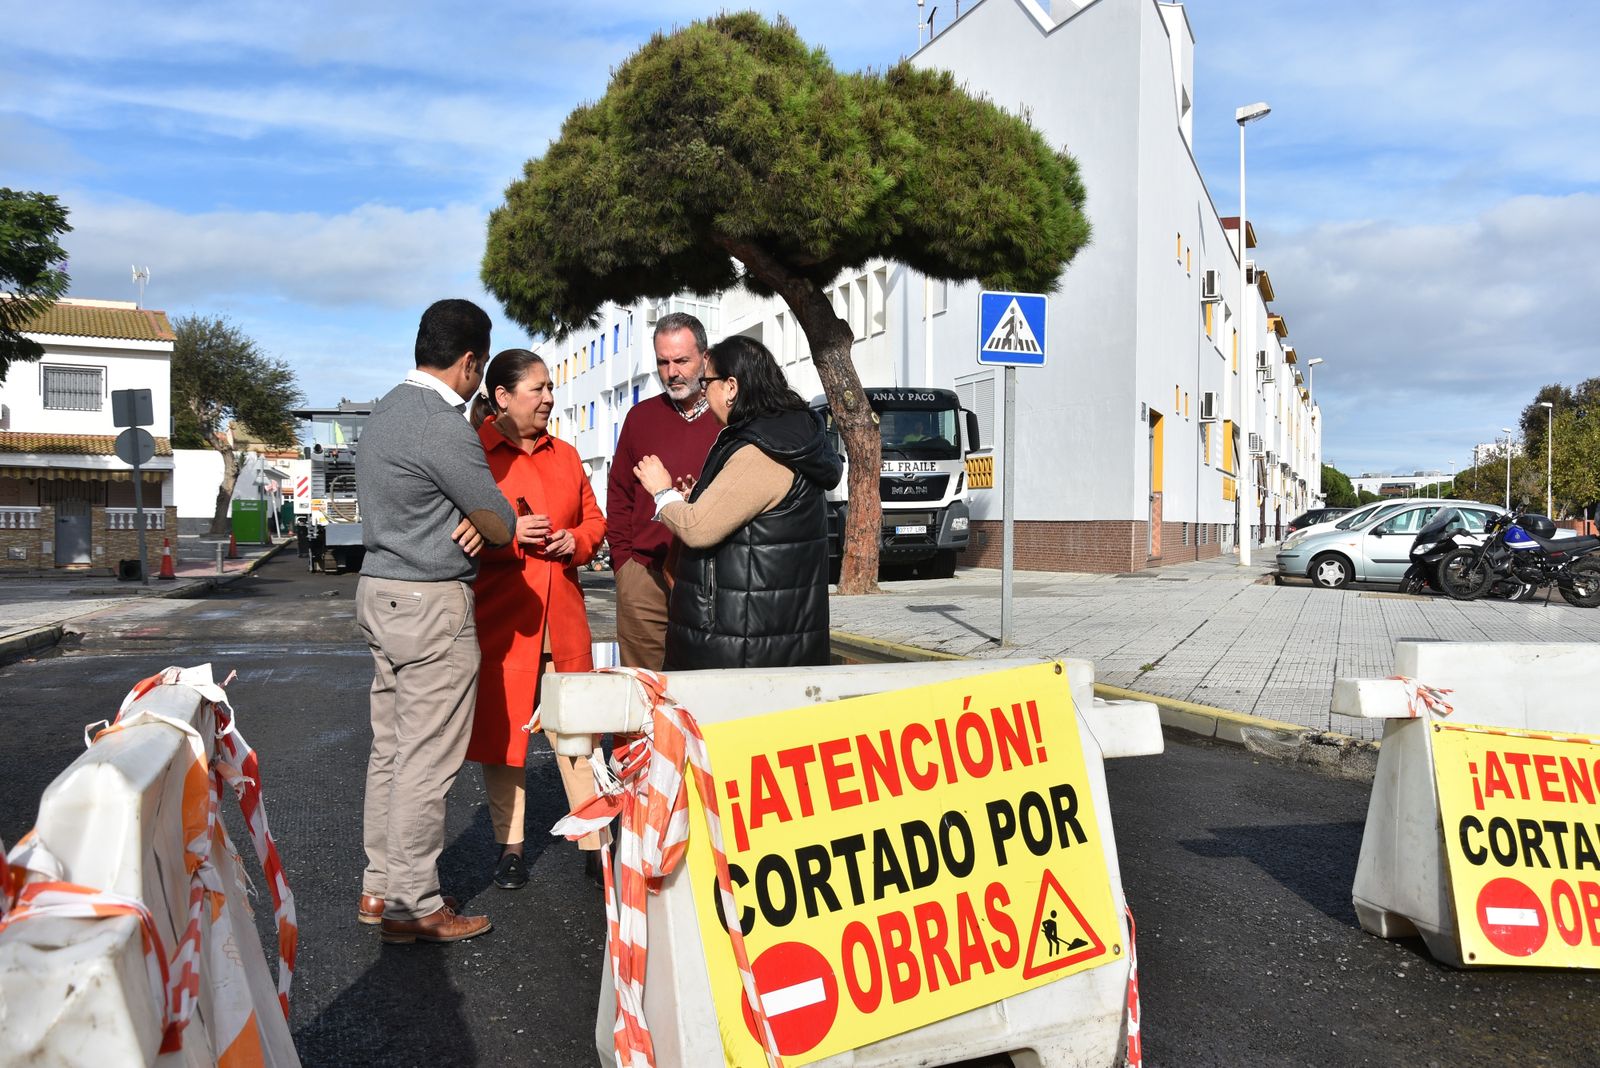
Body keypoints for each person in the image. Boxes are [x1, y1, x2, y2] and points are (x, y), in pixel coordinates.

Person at [355, 298, 516, 944]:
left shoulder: (384, 412)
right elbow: (500, 523)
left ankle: (380, 887)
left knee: (390, 752)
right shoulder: (443, 425)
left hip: (378, 590)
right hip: (431, 603)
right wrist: (479, 526)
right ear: (471, 362)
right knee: (426, 762)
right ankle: (414, 905)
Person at [469, 349, 606, 889]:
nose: (550, 398)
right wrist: (508, 542)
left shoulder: (568, 456)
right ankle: (511, 848)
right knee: (507, 744)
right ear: (502, 398)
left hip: (565, 622)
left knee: (578, 739)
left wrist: (577, 541)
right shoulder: (475, 455)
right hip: (504, 621)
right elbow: (456, 531)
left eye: (550, 388)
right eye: (538, 389)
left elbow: (594, 521)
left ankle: (595, 843)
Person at [633, 335, 842, 670]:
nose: (704, 391)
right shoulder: (783, 438)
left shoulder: (761, 450)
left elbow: (698, 528)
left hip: (743, 643)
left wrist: (663, 492)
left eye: (707, 381)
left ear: (731, 387)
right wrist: (697, 499)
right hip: (767, 633)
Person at [605, 313, 720, 668]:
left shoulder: (728, 417)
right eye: (663, 362)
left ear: (705, 357)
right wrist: (624, 565)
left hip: (711, 573)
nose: (672, 372)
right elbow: (619, 492)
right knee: (643, 687)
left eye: (682, 360)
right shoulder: (640, 418)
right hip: (644, 573)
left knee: (708, 679)